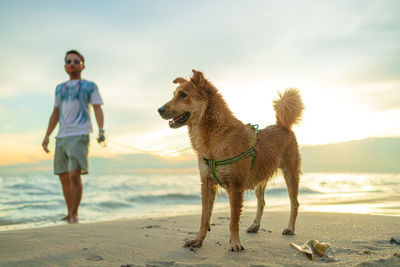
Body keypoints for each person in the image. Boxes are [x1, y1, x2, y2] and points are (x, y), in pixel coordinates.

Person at [42, 50, 105, 223]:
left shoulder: (89, 86)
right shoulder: (59, 88)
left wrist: (101, 130)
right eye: (69, 61)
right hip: (61, 136)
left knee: (73, 174)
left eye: (76, 61)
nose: (72, 63)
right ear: (65, 66)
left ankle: (74, 214)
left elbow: (97, 107)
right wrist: (47, 135)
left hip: (80, 133)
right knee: (63, 175)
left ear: (82, 65)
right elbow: (55, 113)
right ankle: (69, 212)